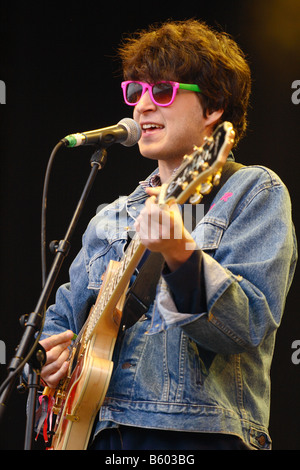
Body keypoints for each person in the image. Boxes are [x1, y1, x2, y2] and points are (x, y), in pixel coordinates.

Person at [39, 19, 297, 450]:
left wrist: (179, 251)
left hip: (196, 437)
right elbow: (62, 315)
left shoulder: (251, 191)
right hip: (100, 434)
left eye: (162, 91)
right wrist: (52, 355)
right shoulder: (112, 215)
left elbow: (246, 325)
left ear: (213, 107)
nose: (141, 107)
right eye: (135, 92)